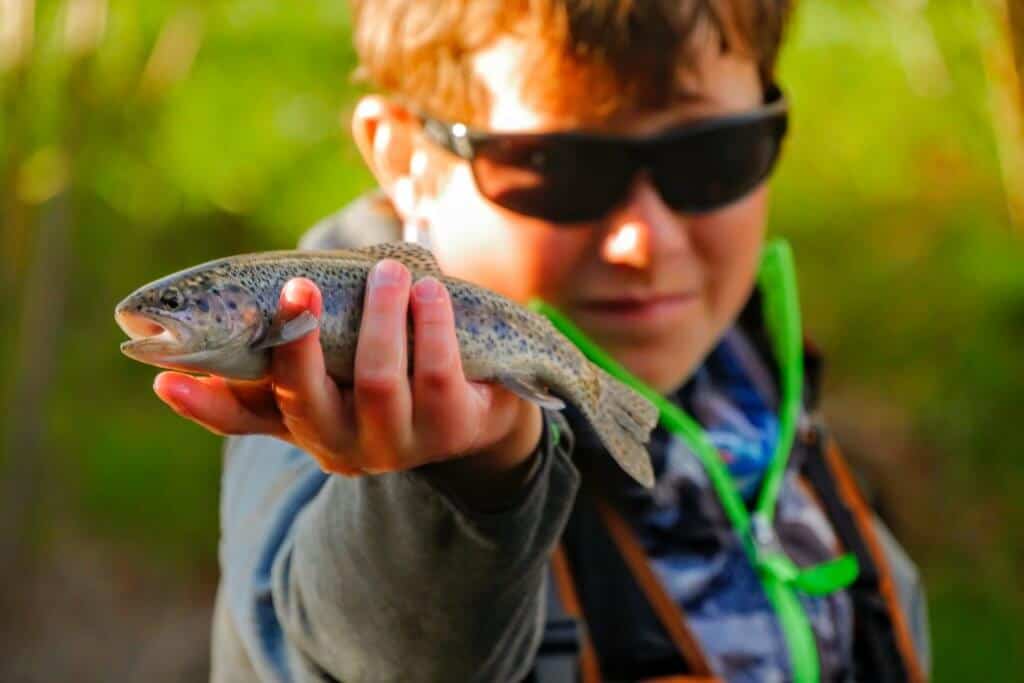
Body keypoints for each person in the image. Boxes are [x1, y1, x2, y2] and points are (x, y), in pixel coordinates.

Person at [153, 1, 931, 681]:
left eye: (711, 157)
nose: (642, 241)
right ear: (406, 159)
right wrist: (467, 482)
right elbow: (326, 654)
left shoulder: (774, 403)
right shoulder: (308, 374)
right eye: (564, 168)